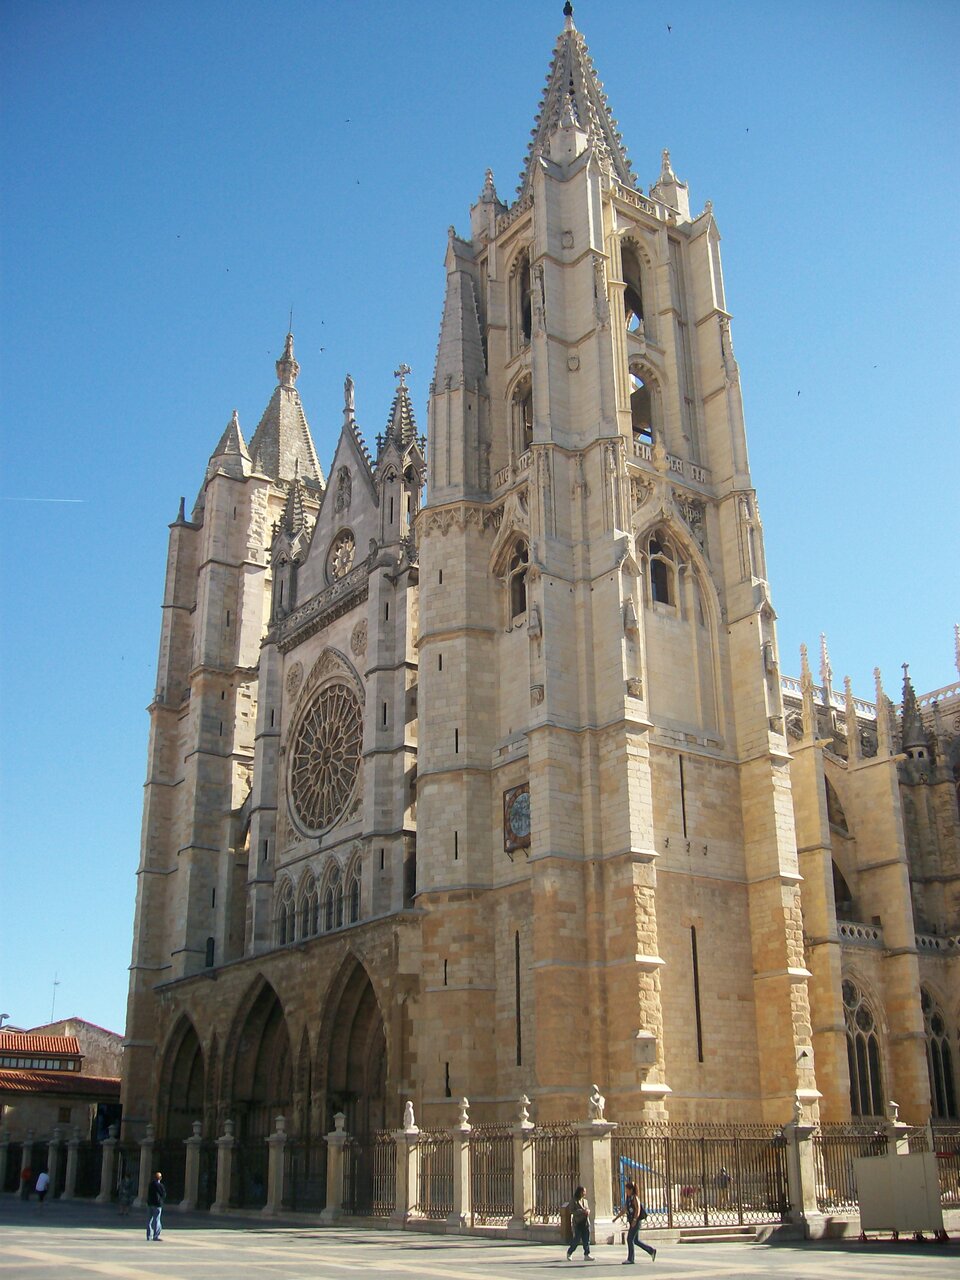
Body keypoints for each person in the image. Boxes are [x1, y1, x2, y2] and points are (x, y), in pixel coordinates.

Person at [623, 1179, 656, 1265]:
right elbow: (625, 1209)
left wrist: (634, 1220)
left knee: (629, 1239)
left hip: (636, 1222)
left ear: (631, 1190)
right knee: (636, 1240)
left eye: (626, 1189)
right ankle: (651, 1250)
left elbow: (638, 1209)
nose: (625, 1191)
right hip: (632, 1221)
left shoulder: (634, 1198)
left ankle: (631, 1259)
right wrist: (616, 1218)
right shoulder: (628, 1198)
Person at [566, 1185, 593, 1261]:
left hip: (585, 1222)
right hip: (578, 1223)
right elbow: (571, 1211)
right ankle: (569, 1252)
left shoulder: (585, 1201)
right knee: (577, 1239)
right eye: (584, 1191)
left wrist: (588, 1211)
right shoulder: (573, 1201)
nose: (585, 1193)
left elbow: (587, 1208)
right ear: (580, 1192)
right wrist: (582, 1211)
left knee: (586, 1239)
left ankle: (587, 1254)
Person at [146, 1171, 166, 1240]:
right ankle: (156, 1236)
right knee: (156, 1220)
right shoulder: (160, 1185)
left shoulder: (150, 1184)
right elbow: (163, 1194)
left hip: (150, 1204)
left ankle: (148, 1236)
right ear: (160, 1178)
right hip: (157, 1205)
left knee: (149, 1220)